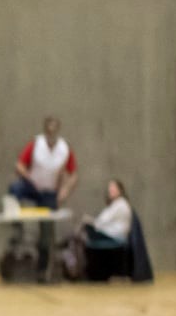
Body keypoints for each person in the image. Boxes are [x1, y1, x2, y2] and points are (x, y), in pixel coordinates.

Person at [9, 115, 77, 280]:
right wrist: (29, 177)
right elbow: (19, 165)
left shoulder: (64, 149)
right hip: (32, 186)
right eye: (49, 129)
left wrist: (64, 190)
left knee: (46, 233)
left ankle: (43, 269)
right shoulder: (35, 145)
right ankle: (16, 223)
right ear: (45, 130)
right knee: (14, 189)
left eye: (55, 129)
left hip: (49, 192)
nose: (51, 132)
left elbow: (73, 173)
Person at [82, 179, 133, 250]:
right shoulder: (115, 204)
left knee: (86, 231)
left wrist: (90, 221)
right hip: (111, 236)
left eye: (113, 187)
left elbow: (102, 221)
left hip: (114, 239)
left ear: (120, 190)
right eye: (110, 187)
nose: (110, 189)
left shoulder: (121, 203)